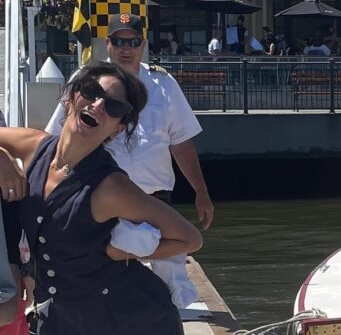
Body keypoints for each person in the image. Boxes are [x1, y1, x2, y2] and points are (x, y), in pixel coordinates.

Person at [0, 61, 201, 334]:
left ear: (118, 128)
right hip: (60, 317)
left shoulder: (111, 187)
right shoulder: (33, 146)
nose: (97, 104)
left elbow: (190, 238)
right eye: (91, 90)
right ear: (71, 97)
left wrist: (121, 252)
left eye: (114, 106)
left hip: (130, 320)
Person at [46, 14, 214, 306]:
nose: (127, 48)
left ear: (143, 44)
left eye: (133, 41)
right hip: (100, 198)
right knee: (99, 272)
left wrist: (201, 192)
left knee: (172, 276)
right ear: (108, 45)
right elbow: (55, 137)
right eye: (119, 41)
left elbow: (182, 142)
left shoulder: (164, 84)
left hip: (154, 198)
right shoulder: (87, 82)